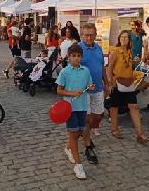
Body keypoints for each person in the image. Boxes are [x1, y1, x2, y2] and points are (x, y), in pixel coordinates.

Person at [56, 43, 95, 180]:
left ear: (81, 57)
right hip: (70, 108)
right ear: (68, 57)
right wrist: (72, 93)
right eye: (73, 56)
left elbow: (89, 85)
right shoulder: (65, 71)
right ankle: (78, 165)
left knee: (78, 132)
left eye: (78, 56)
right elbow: (59, 90)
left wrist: (90, 86)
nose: (76, 58)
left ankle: (68, 148)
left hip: (83, 107)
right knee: (73, 134)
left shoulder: (86, 71)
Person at [106, 30, 149, 142]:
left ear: (129, 40)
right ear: (119, 39)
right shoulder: (115, 51)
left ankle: (140, 134)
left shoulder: (130, 51)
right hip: (117, 82)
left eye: (126, 37)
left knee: (134, 107)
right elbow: (109, 68)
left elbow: (129, 66)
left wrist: (136, 62)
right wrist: (110, 84)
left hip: (128, 82)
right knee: (114, 107)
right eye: (122, 37)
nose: (124, 39)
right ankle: (114, 129)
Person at [79, 23, 108, 163]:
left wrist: (106, 83)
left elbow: (102, 66)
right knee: (87, 119)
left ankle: (85, 133)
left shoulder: (98, 48)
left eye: (92, 35)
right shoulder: (77, 49)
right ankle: (88, 145)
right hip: (84, 91)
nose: (89, 37)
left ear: (95, 35)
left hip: (98, 89)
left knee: (97, 117)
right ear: (82, 35)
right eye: (86, 35)